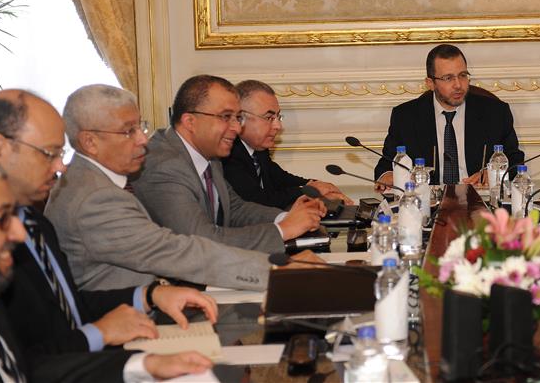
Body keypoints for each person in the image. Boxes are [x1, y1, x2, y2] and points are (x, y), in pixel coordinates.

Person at [0, 102, 213, 381]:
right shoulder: (4, 246)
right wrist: (99, 333)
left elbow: (65, 304)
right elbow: (30, 357)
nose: (61, 166)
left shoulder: (35, 223)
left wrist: (149, 296)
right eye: (49, 153)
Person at [44, 84, 272, 292]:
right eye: (128, 131)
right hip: (124, 317)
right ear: (90, 142)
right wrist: (274, 272)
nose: (143, 140)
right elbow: (175, 253)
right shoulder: (96, 199)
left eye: (140, 127)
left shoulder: (90, 180)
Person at [132, 75, 325, 253]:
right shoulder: (163, 165)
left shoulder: (209, 154)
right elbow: (200, 240)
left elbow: (234, 209)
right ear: (190, 121)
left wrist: (287, 218)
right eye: (226, 117)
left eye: (238, 118)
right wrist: (282, 230)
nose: (236, 128)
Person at [374, 44, 523, 186]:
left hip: (480, 199)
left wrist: (493, 173)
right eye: (448, 78)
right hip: (427, 200)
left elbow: (515, 160)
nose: (458, 85)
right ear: (430, 83)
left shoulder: (495, 113)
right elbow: (387, 163)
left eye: (462, 75)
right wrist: (388, 175)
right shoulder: (406, 117)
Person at [223, 79, 353, 209]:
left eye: (278, 117)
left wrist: (317, 185)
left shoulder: (258, 148)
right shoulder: (227, 153)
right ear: (240, 118)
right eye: (269, 118)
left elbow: (280, 178)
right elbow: (257, 200)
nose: (278, 126)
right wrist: (311, 191)